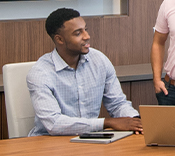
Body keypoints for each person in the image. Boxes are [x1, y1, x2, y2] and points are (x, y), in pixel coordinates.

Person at [27, 8, 142, 136]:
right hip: (49, 143)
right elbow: (54, 124)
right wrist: (107, 123)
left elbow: (117, 104)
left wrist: (136, 120)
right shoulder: (40, 73)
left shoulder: (99, 60)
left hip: (91, 139)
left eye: (85, 30)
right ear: (60, 39)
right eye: (78, 33)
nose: (87, 36)